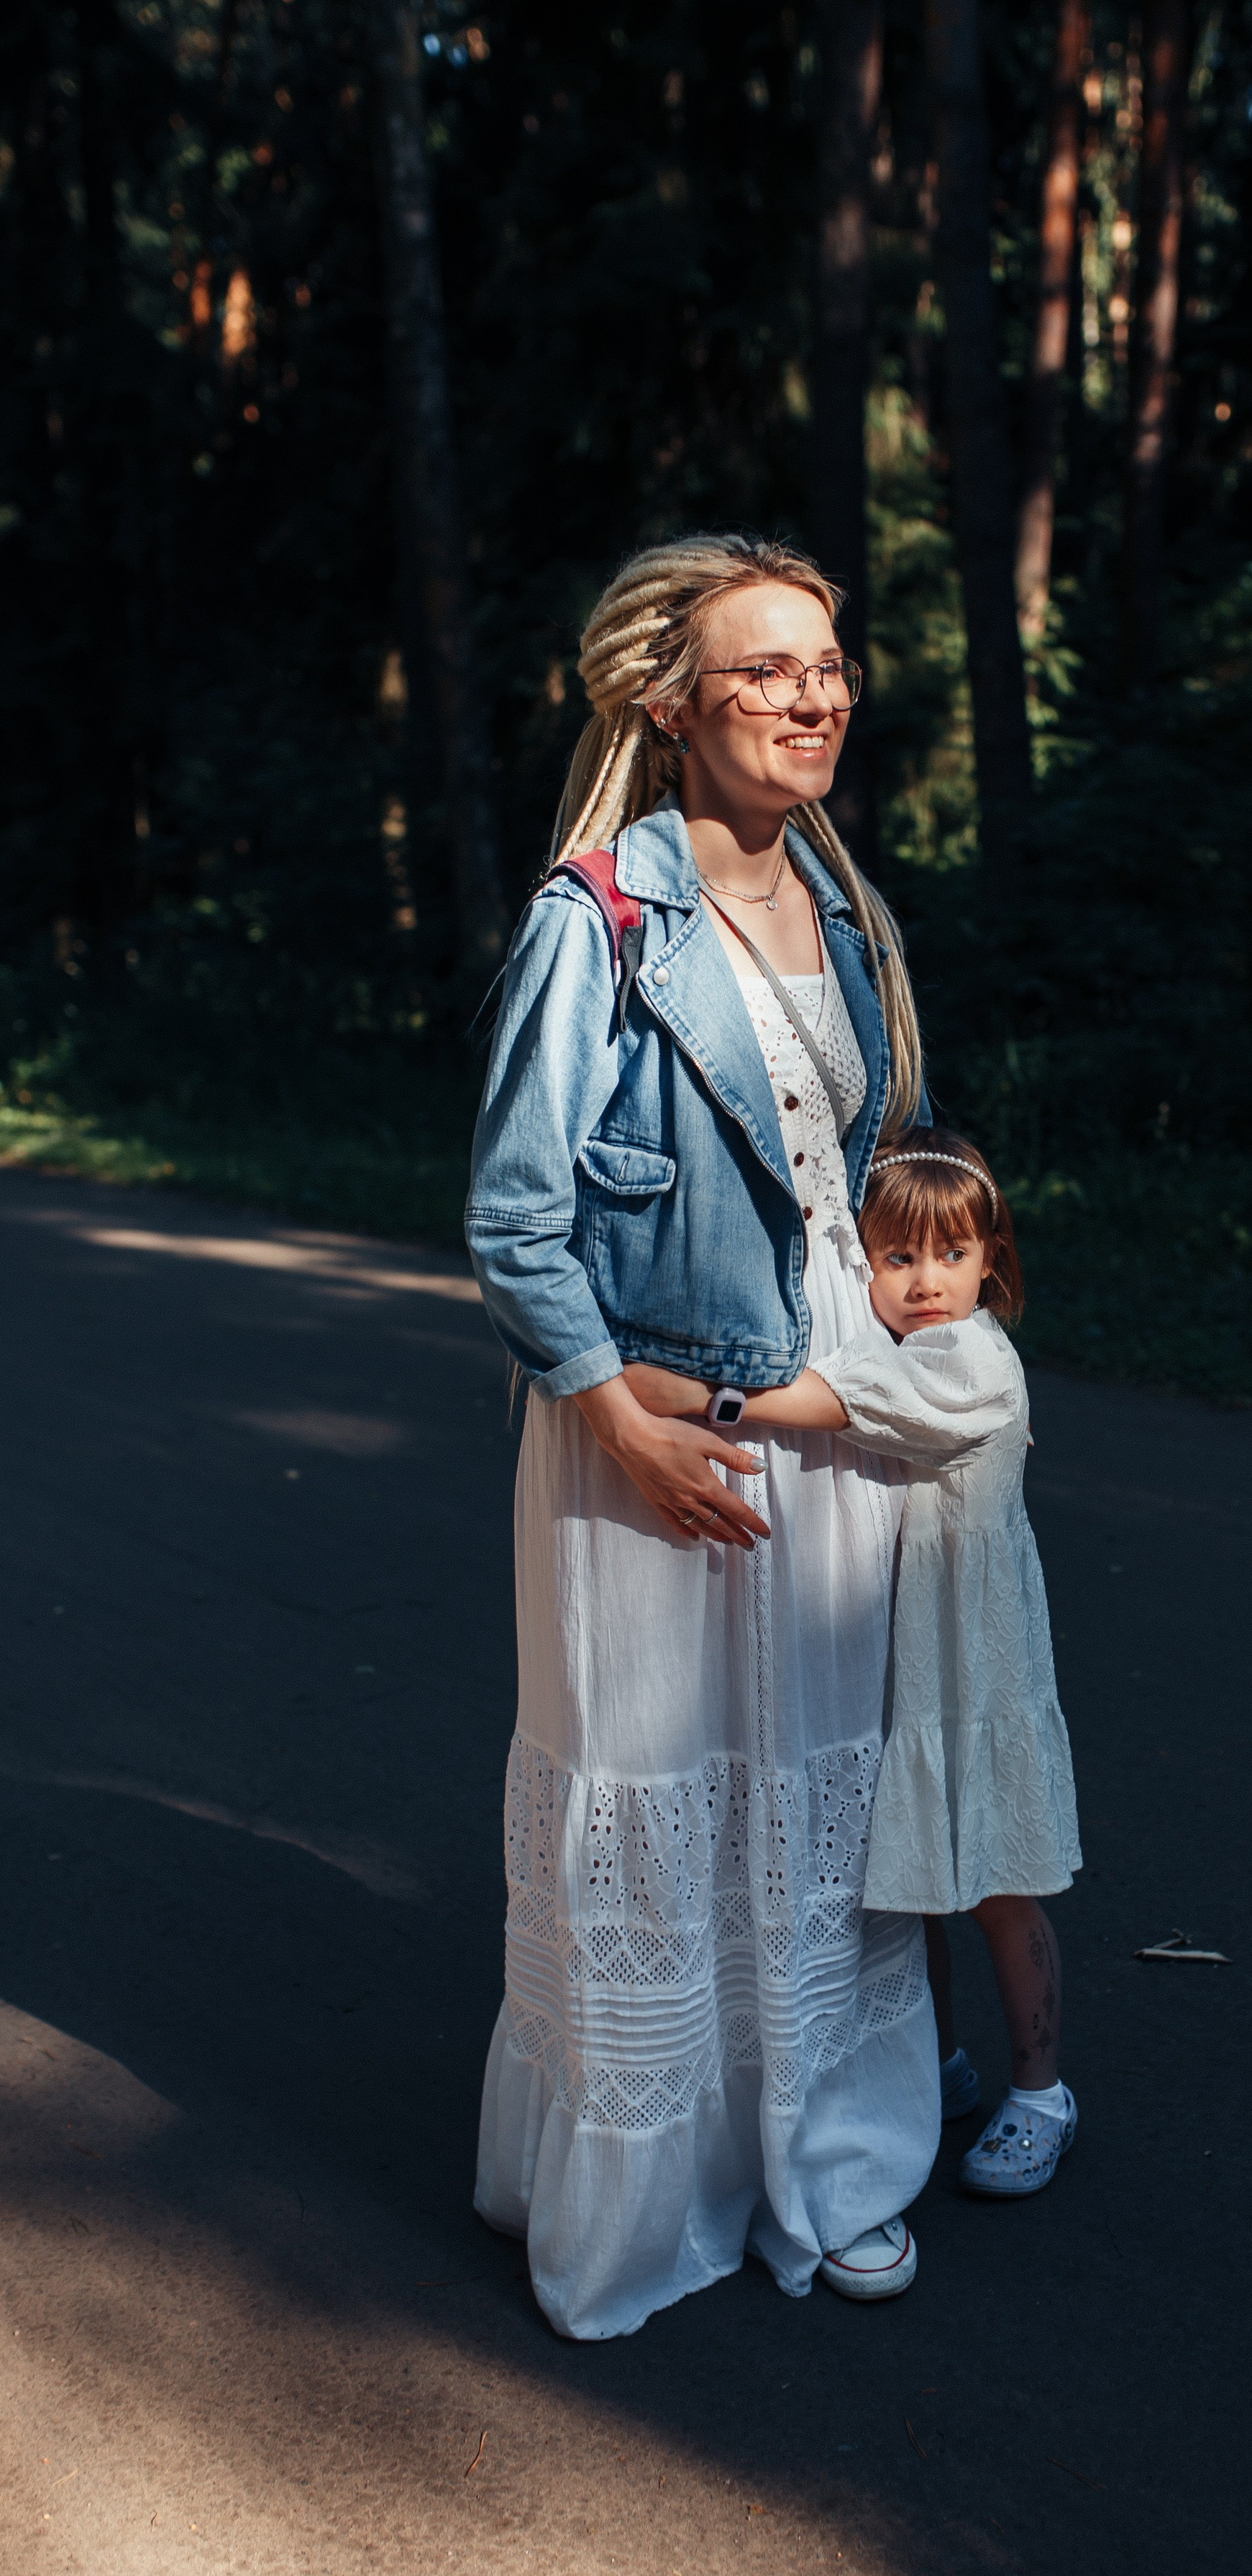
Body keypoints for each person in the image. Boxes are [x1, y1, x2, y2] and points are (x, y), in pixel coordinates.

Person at [465, 534, 940, 2336]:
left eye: (829, 663)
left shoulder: (855, 908)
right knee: (659, 1782)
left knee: (816, 1776)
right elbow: (516, 1220)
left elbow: (881, 1182)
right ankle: (649, 2179)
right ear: (672, 702)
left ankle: (829, 2158)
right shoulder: (596, 916)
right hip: (643, 1409)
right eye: (769, 669)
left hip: (834, 1404)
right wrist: (617, 1428)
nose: (814, 695)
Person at [623, 1126, 1083, 2197]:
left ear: (990, 1263)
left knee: (995, 1884)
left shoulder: (967, 1363)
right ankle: (934, 2060)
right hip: (907, 1654)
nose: (927, 1282)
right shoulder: (904, 1346)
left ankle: (1042, 2092)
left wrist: (681, 1394)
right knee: (908, 1879)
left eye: (953, 1255)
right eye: (897, 1258)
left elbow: (814, 1405)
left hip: (972, 1663)